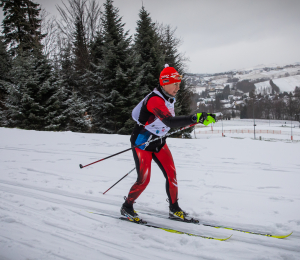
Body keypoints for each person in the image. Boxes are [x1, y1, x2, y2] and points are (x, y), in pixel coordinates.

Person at [121, 64, 216, 224]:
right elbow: (170, 121)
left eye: (179, 84)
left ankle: (174, 209)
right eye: (175, 84)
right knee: (144, 179)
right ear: (165, 83)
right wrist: (194, 118)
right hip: (142, 142)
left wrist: (197, 120)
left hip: (159, 141)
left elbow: (166, 124)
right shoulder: (154, 100)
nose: (178, 88)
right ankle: (127, 207)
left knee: (171, 175)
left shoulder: (167, 97)